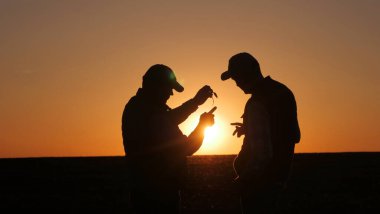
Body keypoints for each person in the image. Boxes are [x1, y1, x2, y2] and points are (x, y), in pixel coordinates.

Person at [122, 64, 216, 213]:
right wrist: (202, 126)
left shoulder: (136, 106)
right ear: (156, 87)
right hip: (160, 195)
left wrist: (196, 102)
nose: (171, 94)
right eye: (168, 88)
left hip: (142, 190)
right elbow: (187, 147)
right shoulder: (153, 114)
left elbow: (169, 118)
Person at [221, 52, 301, 213]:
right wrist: (249, 129)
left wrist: (242, 180)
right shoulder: (283, 92)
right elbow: (290, 134)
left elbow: (262, 154)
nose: (236, 83)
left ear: (247, 74)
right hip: (279, 179)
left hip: (258, 186)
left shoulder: (256, 102)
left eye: (237, 77)